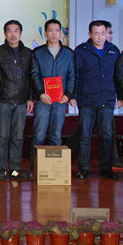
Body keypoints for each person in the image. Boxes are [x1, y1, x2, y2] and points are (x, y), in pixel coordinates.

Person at [74, 20, 121, 179]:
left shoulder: (113, 50)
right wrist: (73, 96)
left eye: (103, 33)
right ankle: (84, 167)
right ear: (90, 34)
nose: (100, 37)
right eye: (96, 33)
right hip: (87, 99)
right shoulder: (81, 50)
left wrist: (120, 96)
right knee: (84, 135)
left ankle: (106, 167)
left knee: (106, 135)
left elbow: (119, 76)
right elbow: (75, 74)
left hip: (107, 99)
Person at [0, 19, 36, 181]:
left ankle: (16, 170)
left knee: (18, 137)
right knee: (2, 136)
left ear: (21, 33)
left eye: (16, 31)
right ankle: (1, 169)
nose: (13, 34)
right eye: (9, 31)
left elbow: (32, 77)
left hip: (22, 101)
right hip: (3, 99)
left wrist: (30, 98)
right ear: (5, 33)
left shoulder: (28, 53)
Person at [31, 19, 75, 177]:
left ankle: (55, 169)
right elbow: (34, 75)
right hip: (43, 100)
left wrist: (68, 95)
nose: (54, 33)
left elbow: (72, 75)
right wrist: (40, 93)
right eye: (51, 30)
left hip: (60, 101)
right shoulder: (37, 53)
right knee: (39, 135)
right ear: (45, 33)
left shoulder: (69, 54)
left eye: (57, 30)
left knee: (56, 135)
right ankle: (35, 168)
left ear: (61, 32)